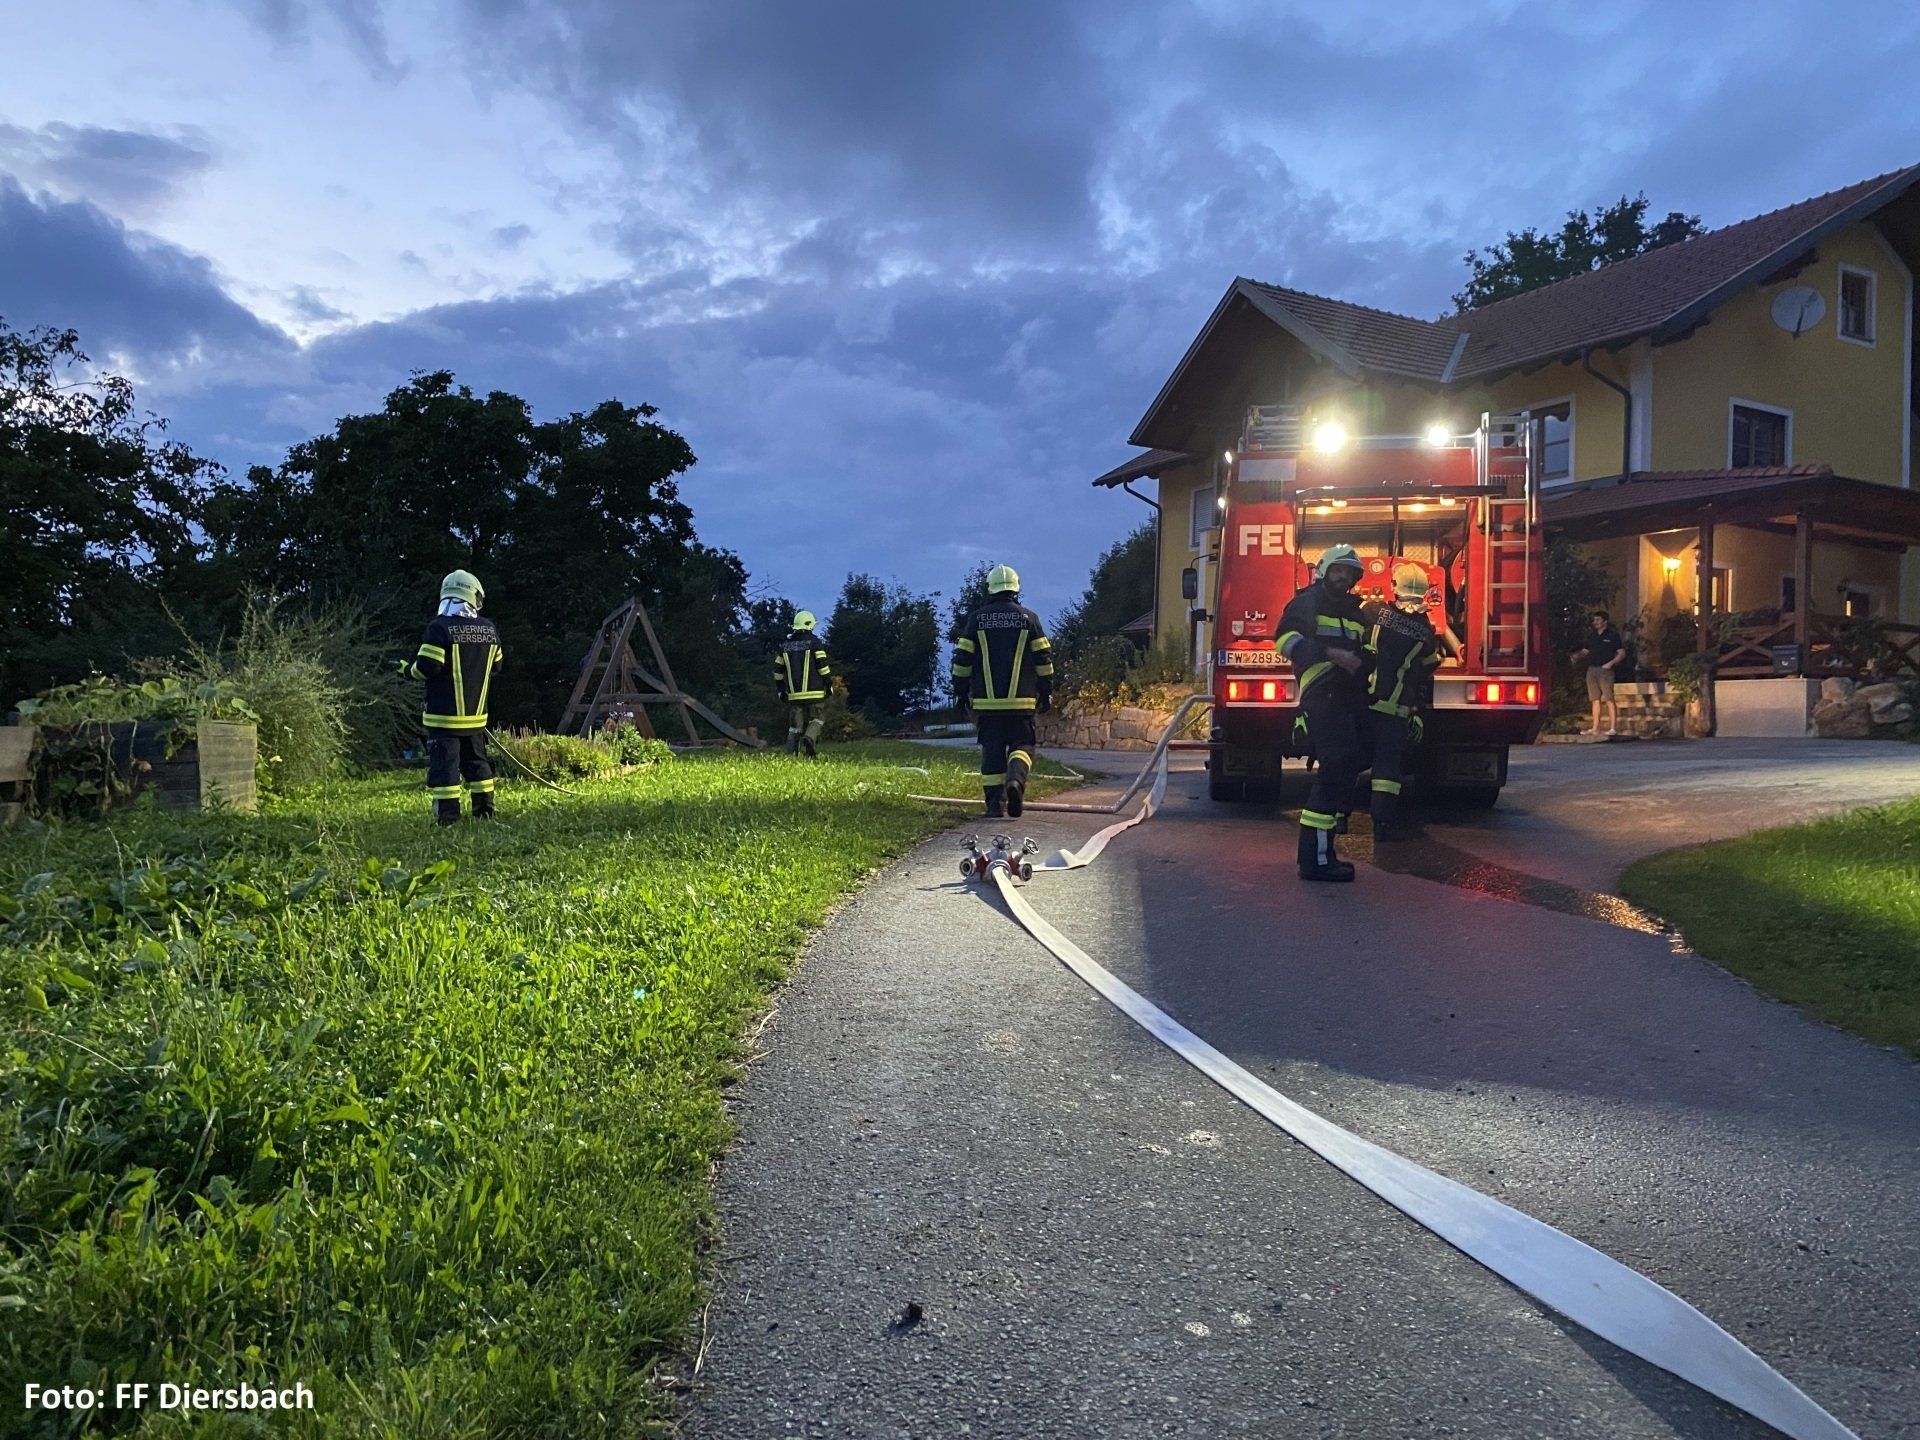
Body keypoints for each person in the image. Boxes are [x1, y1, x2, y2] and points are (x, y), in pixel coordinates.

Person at [1276, 543, 1370, 881]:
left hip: (1346, 696)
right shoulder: (1307, 601)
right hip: (1321, 692)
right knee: (1335, 768)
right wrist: (1331, 654)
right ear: (1324, 571)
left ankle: (1324, 853)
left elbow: (1364, 650)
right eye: (1338, 570)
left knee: (1345, 766)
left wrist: (1367, 661)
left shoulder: (1356, 611)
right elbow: (1284, 639)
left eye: (1349, 573)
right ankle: (1314, 862)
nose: (1343, 577)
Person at [950, 564, 1054, 818]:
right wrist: (1046, 690)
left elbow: (962, 659)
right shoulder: (1029, 619)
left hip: (987, 705)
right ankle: (1015, 780)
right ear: (1016, 589)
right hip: (1022, 703)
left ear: (991, 588)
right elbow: (1043, 659)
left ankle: (994, 806)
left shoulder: (976, 619)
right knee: (1023, 745)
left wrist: (961, 693)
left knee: (992, 752)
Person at [1356, 564, 1449, 842]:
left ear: (1394, 586)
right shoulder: (1423, 629)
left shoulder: (1371, 610)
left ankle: (1337, 818)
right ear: (1424, 591)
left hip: (1361, 703)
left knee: (1347, 759)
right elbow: (1429, 665)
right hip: (1394, 709)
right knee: (1387, 769)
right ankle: (1382, 825)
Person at [403, 569, 502, 825]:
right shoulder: (489, 629)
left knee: (445, 767)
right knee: (478, 763)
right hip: (476, 718)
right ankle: (485, 811)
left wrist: (406, 670)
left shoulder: (439, 628)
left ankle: (448, 818)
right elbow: (496, 666)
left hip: (443, 718)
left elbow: (427, 667)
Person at [774, 610, 832, 757]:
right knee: (818, 718)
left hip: (794, 695)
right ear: (810, 625)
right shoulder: (815, 643)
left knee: (795, 726)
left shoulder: (785, 645)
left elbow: (777, 671)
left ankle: (790, 754)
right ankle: (809, 738)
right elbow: (823, 667)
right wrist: (828, 685)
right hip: (815, 693)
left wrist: (781, 691)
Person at [1570, 610, 1625, 737]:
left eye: (1598, 620)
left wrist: (1611, 663)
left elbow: (1621, 653)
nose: (1595, 622)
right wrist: (1576, 656)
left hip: (1605, 670)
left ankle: (1613, 728)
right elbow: (1586, 651)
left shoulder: (1612, 636)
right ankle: (1595, 728)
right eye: (1594, 620)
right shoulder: (1592, 636)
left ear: (1605, 621)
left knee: (1609, 698)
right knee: (1594, 699)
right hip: (1592, 669)